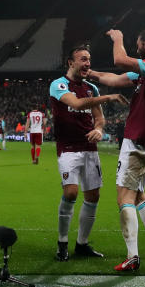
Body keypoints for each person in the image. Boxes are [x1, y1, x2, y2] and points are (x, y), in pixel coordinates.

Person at [88, 27, 145, 273]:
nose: (136, 46)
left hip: (137, 139)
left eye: (138, 43)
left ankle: (132, 256)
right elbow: (114, 79)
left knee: (124, 197)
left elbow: (119, 60)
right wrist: (89, 73)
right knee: (138, 194)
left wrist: (118, 38)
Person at [50, 44, 129, 262]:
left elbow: (99, 118)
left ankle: (82, 244)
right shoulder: (58, 85)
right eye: (83, 59)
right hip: (68, 149)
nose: (87, 64)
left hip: (90, 150)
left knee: (93, 196)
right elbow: (75, 104)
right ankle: (62, 243)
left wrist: (99, 129)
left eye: (89, 60)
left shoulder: (91, 88)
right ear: (70, 62)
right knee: (71, 193)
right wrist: (108, 97)